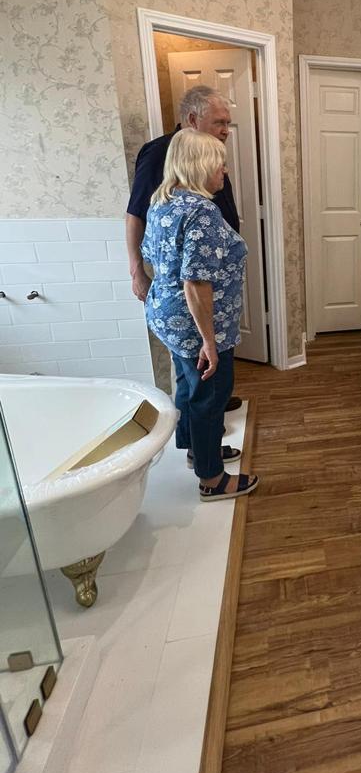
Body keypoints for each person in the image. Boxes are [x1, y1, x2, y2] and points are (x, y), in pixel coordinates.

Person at [142, 130, 258, 502]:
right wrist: (209, 341)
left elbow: (152, 256)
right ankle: (212, 478)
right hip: (199, 326)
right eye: (219, 163)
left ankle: (197, 449)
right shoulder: (201, 211)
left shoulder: (162, 201)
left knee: (189, 385)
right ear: (200, 164)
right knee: (210, 395)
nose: (225, 170)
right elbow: (195, 282)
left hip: (168, 317)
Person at [126, 85, 242, 411]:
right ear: (192, 119)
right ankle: (205, 432)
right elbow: (135, 214)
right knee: (203, 386)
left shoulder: (207, 156)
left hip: (195, 294)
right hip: (190, 301)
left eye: (228, 123)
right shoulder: (161, 154)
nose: (226, 130)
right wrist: (137, 272)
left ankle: (199, 422)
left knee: (195, 380)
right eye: (219, 122)